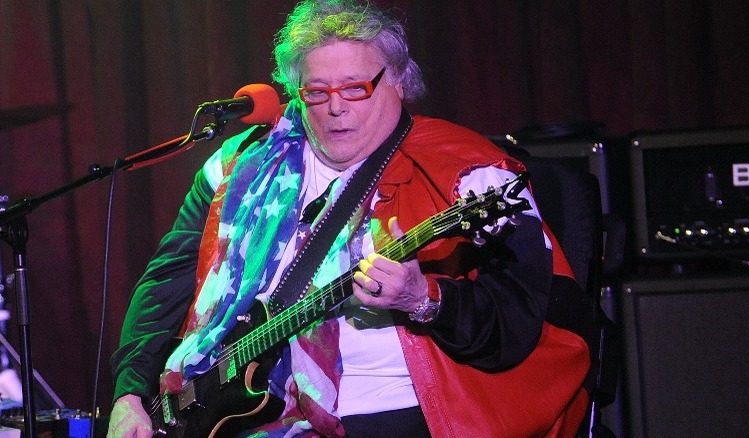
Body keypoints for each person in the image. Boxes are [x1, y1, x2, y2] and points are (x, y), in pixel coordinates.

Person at [107, 1, 591, 437]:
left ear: (399, 80)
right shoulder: (240, 168)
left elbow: (521, 322)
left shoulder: (467, 172)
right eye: (316, 92)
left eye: (356, 88)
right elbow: (164, 285)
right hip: (239, 411)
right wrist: (129, 392)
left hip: (391, 412)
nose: (336, 108)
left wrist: (425, 300)